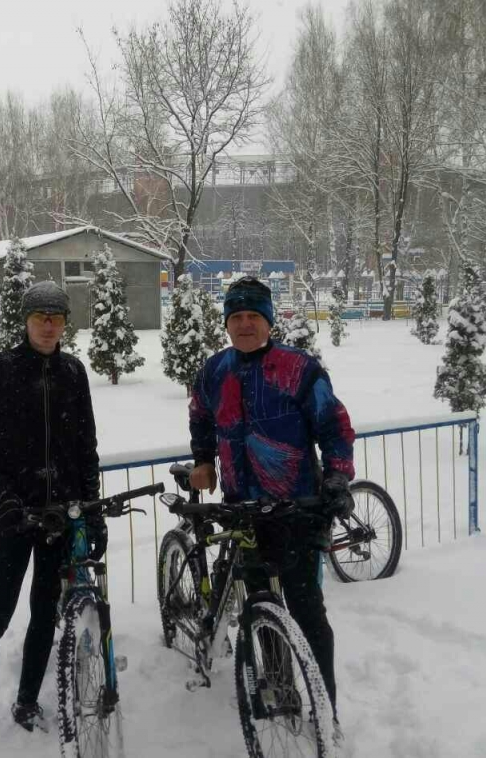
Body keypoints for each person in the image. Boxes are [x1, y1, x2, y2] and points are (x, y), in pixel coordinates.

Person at [187, 276, 355, 736]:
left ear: (268, 321)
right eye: (236, 317)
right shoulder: (214, 370)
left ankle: (326, 711)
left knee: (307, 611)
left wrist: (337, 476)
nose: (245, 325)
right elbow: (200, 415)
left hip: (296, 509)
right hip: (242, 510)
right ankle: (281, 689)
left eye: (253, 316)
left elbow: (334, 427)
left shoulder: (299, 369)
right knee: (259, 603)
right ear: (227, 323)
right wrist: (203, 458)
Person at [0, 280, 102, 758]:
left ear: (65, 323)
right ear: (26, 320)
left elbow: (86, 448)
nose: (48, 326)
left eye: (57, 317)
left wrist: (92, 511)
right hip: (14, 519)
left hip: (60, 520)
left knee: (43, 616)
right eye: (39, 317)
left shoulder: (74, 372)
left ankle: (27, 700)